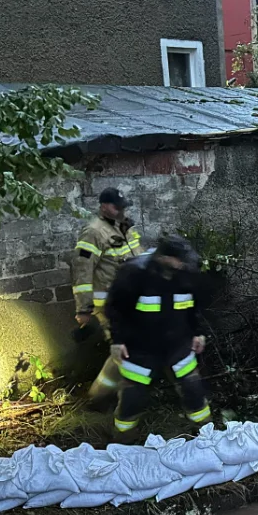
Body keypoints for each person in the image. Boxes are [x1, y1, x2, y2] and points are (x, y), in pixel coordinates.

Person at [104, 236, 212, 439]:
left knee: (193, 389)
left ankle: (206, 434)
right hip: (140, 348)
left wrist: (199, 332)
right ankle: (122, 440)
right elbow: (115, 309)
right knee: (132, 398)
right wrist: (117, 341)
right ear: (163, 257)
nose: (182, 264)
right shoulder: (135, 273)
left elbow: (196, 305)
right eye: (178, 260)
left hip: (178, 345)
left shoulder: (186, 273)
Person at [71, 187, 143, 402]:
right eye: (116, 207)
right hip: (110, 303)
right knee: (124, 351)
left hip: (131, 300)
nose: (121, 211)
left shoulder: (125, 228)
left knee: (128, 348)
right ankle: (113, 400)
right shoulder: (93, 232)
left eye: (123, 207)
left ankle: (105, 395)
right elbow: (82, 271)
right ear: (103, 207)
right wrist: (83, 308)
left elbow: (137, 260)